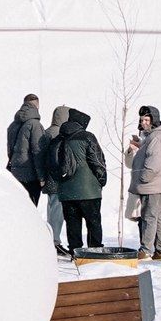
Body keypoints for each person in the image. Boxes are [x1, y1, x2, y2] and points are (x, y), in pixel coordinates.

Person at [52, 108, 107, 255]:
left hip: (66, 192)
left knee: (73, 225)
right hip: (89, 191)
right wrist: (101, 180)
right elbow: (97, 162)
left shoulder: (58, 138)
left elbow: (52, 164)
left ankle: (76, 252)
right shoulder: (87, 137)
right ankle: (94, 253)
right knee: (93, 223)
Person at [125, 106, 161, 259]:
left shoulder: (157, 137)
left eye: (146, 120)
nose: (144, 123)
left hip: (151, 184)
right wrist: (140, 145)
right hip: (154, 183)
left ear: (154, 120)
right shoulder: (153, 136)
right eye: (142, 120)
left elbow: (154, 161)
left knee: (149, 217)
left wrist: (144, 177)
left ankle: (146, 250)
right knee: (156, 216)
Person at [6, 95, 48, 207]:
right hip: (31, 176)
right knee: (31, 210)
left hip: (15, 173)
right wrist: (41, 177)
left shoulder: (13, 125)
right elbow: (38, 152)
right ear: (37, 106)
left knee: (18, 208)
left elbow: (10, 151)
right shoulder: (35, 125)